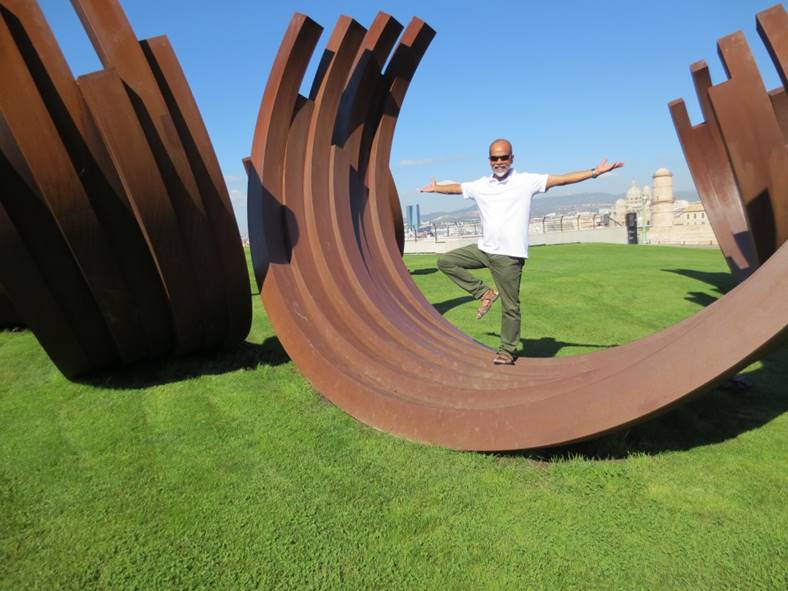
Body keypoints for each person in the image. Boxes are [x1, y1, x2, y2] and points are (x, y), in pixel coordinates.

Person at [420, 139, 623, 365]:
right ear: (489, 160)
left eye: (503, 157)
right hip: (484, 249)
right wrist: (437, 188)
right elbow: (457, 188)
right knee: (446, 261)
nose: (499, 162)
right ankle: (484, 293)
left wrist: (595, 172)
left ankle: (507, 350)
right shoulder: (481, 185)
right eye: (495, 158)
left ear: (512, 158)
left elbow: (562, 179)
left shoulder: (526, 181)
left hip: (509, 256)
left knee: (510, 306)